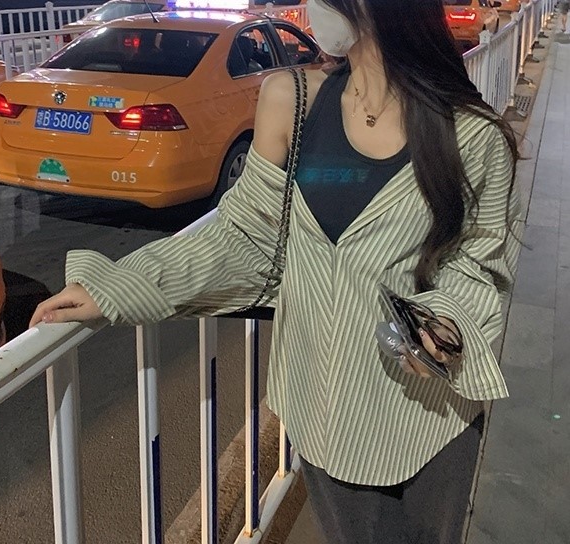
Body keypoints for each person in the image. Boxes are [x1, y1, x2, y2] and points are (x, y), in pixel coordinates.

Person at [30, 0, 522, 542]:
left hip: (428, 421)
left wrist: (444, 325)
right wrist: (122, 285)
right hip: (320, 409)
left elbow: (479, 264)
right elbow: (244, 233)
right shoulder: (292, 99)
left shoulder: (472, 134)